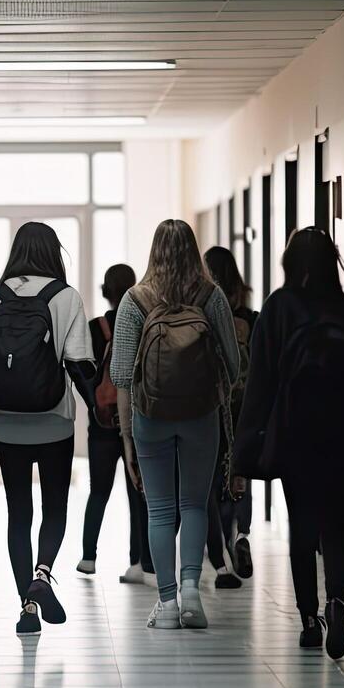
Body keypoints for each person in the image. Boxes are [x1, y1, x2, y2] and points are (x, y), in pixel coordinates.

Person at [233, 226, 344, 659]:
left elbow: (261, 381)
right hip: (342, 433)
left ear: (290, 263)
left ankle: (309, 618)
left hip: (294, 433)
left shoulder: (277, 308)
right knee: (336, 522)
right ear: (333, 262)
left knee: (302, 526)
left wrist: (249, 441)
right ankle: (338, 600)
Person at [0, 222, 97, 635]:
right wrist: (95, 406)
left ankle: (27, 608)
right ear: (53, 252)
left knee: (18, 512)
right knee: (55, 506)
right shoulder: (65, 297)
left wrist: (3, 388)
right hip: (54, 420)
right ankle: (42, 574)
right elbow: (80, 365)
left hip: (7, 423)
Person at [111, 219, 239, 631]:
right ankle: (191, 595)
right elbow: (234, 366)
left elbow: (120, 373)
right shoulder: (212, 295)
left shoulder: (135, 299)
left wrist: (128, 434)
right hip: (202, 414)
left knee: (161, 509)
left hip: (150, 416)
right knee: (194, 504)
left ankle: (166, 605)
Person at [77, 263, 155, 586]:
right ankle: (139, 561)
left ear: (105, 292)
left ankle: (88, 556)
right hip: (137, 420)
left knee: (99, 491)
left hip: (102, 423)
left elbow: (82, 371)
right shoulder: (143, 322)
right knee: (139, 493)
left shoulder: (96, 328)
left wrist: (93, 402)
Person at [201, 246, 259, 590]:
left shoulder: (202, 312)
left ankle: (220, 559)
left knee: (209, 483)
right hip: (245, 409)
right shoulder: (250, 318)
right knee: (240, 474)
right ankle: (242, 531)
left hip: (210, 406)